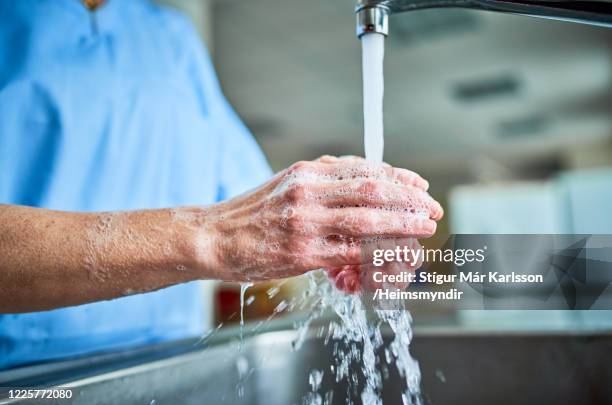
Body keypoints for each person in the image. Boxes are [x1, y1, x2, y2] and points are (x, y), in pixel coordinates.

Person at [0, 0, 442, 369]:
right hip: (22, 376)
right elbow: (231, 226)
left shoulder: (171, 37)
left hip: (168, 366)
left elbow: (253, 201)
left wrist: (337, 217)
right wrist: (214, 236)